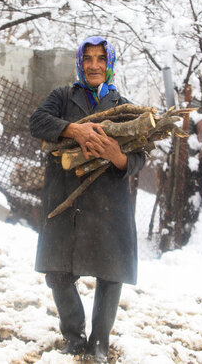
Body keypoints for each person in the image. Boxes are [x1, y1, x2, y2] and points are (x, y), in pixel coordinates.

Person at [29, 36, 146, 362]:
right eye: (88, 59)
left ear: (109, 64)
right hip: (65, 197)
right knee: (58, 273)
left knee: (110, 274)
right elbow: (37, 122)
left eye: (100, 59)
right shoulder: (63, 97)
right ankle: (74, 335)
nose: (94, 65)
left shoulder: (125, 108)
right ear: (80, 62)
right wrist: (74, 130)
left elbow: (139, 158)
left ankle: (99, 343)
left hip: (109, 204)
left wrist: (117, 156)